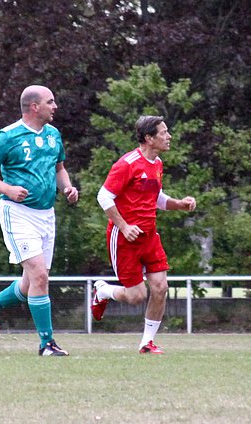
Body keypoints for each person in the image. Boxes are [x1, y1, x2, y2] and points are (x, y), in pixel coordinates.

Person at [0, 85, 79, 356]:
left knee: (31, 282)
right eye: (50, 102)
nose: (55, 106)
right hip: (17, 213)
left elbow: (60, 169)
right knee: (40, 276)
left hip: (46, 215)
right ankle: (47, 344)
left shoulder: (54, 134)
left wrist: (67, 187)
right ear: (34, 107)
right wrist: (7, 189)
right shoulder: (8, 136)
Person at [91, 115, 196, 354]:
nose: (169, 136)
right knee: (137, 296)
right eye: (164, 132)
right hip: (125, 239)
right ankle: (104, 291)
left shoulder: (157, 164)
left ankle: (146, 343)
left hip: (149, 236)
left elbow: (155, 197)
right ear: (149, 138)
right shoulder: (127, 163)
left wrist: (179, 204)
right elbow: (103, 196)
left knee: (160, 287)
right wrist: (125, 226)